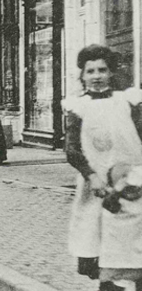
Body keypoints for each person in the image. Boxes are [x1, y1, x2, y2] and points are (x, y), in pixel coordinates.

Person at [63, 45, 142, 291]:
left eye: (102, 70)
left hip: (134, 186)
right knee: (104, 248)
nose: (97, 76)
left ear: (111, 73)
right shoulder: (77, 107)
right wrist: (91, 176)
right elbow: (73, 149)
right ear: (83, 75)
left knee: (135, 246)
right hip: (96, 189)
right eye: (91, 71)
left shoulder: (129, 102)